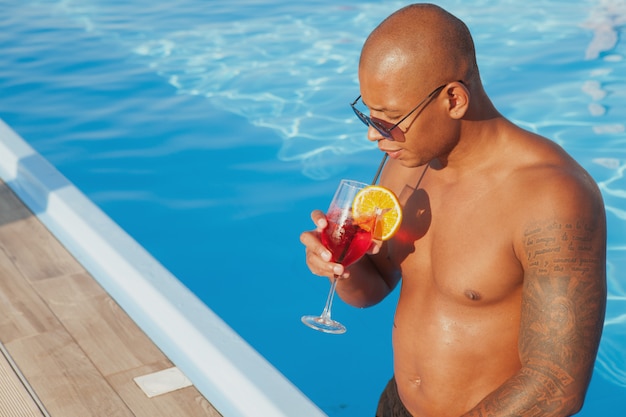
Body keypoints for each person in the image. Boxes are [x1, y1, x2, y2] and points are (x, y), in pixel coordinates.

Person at [300, 3, 607, 417]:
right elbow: (373, 289)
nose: (374, 135)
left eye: (389, 120)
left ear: (454, 99)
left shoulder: (551, 195)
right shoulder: (405, 164)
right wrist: (339, 265)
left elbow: (556, 384)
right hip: (397, 406)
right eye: (367, 115)